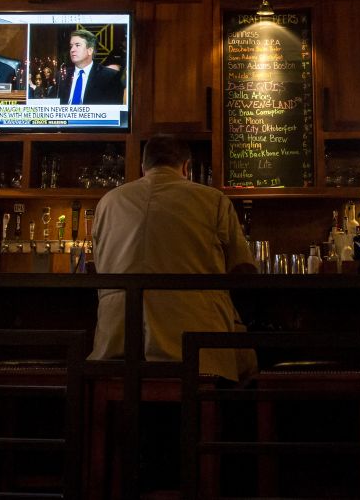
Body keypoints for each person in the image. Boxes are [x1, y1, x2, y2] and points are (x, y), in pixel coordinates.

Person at [90, 134, 255, 381]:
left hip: (115, 346)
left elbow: (99, 265)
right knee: (248, 362)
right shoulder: (213, 200)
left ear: (142, 167)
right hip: (195, 349)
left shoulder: (107, 203)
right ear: (186, 167)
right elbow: (243, 270)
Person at [57, 28, 125, 105]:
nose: (72, 50)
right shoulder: (61, 76)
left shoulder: (109, 76)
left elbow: (112, 109)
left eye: (77, 45)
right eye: (71, 46)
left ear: (90, 50)